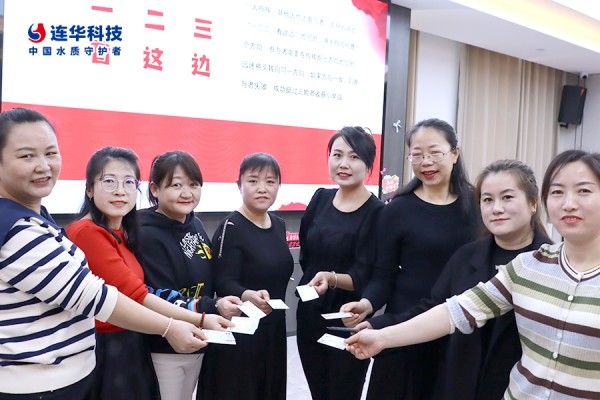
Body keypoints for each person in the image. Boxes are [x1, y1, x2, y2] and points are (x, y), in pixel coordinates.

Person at [347, 149, 600, 400]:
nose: (568, 203)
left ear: (533, 203)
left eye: (584, 191)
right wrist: (381, 336)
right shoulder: (527, 266)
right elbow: (455, 311)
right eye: (557, 192)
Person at [0, 108, 207, 399]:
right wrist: (179, 324)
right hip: (43, 383)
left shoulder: (39, 220)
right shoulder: (20, 229)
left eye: (50, 153)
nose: (43, 166)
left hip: (73, 371)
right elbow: (95, 296)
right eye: (26, 156)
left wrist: (198, 311)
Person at [66, 146, 231, 400]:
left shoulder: (122, 231)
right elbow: (137, 295)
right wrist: (199, 317)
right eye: (109, 181)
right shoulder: (89, 232)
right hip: (106, 347)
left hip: (133, 341)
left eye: (129, 182)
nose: (120, 190)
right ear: (89, 189)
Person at [341, 118, 480, 400]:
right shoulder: (396, 210)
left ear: (455, 153)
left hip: (461, 327)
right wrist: (367, 304)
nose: (425, 162)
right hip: (404, 326)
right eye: (417, 154)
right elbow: (384, 275)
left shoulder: (477, 206)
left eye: (434, 153)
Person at [137, 150, 243, 400]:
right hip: (164, 345)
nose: (187, 193)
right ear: (154, 189)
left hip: (199, 337)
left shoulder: (194, 223)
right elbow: (158, 294)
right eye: (176, 185)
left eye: (193, 184)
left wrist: (226, 301)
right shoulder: (145, 232)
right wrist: (212, 306)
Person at [295, 127, 383, 400]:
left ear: (368, 164)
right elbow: (307, 253)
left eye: (354, 157)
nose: (344, 164)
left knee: (344, 391)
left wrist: (332, 278)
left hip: (347, 318)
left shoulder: (378, 212)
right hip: (310, 313)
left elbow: (367, 273)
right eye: (337, 155)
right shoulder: (320, 198)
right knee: (318, 390)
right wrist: (319, 279)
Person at [200, 153, 293, 400]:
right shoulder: (231, 227)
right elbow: (222, 282)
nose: (262, 188)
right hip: (240, 332)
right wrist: (246, 294)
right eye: (253, 181)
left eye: (270, 182)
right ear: (239, 185)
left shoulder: (279, 224)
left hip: (273, 330)